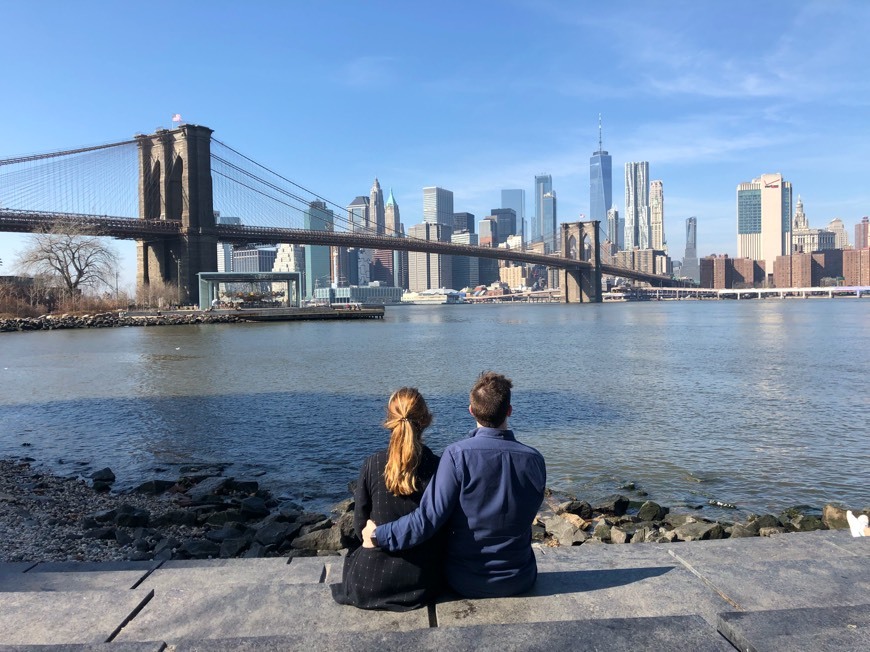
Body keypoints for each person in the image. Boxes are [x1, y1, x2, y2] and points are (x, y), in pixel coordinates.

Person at [363, 372, 546, 598]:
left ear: (471, 410)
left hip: (466, 580)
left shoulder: (457, 456)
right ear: (509, 411)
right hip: (521, 578)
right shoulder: (535, 460)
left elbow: (427, 520)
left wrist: (379, 535)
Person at [331, 387, 443, 611]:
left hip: (371, 581)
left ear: (390, 420)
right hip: (420, 582)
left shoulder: (372, 464)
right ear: (427, 420)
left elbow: (360, 527)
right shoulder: (438, 467)